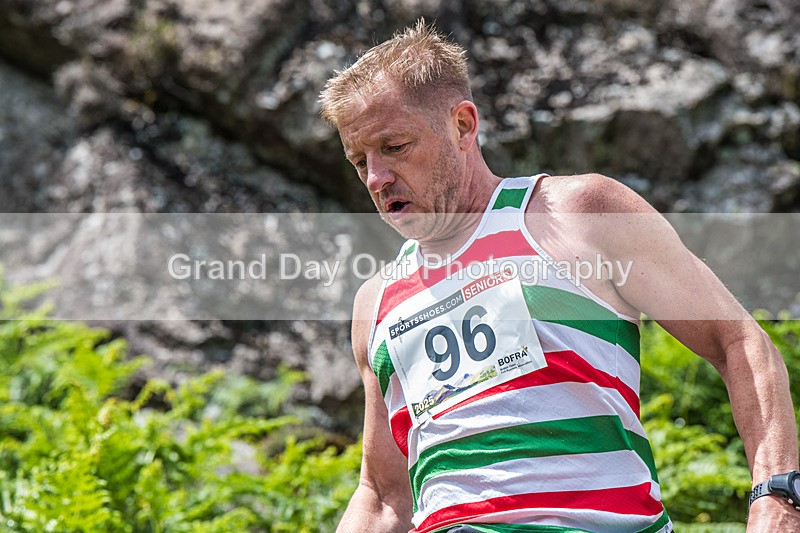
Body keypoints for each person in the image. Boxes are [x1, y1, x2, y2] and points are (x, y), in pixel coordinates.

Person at [319, 20, 799, 533]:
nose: (375, 177)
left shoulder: (580, 212)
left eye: (394, 147)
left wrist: (776, 496)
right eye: (358, 160)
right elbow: (384, 496)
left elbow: (738, 341)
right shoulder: (377, 303)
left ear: (463, 125)